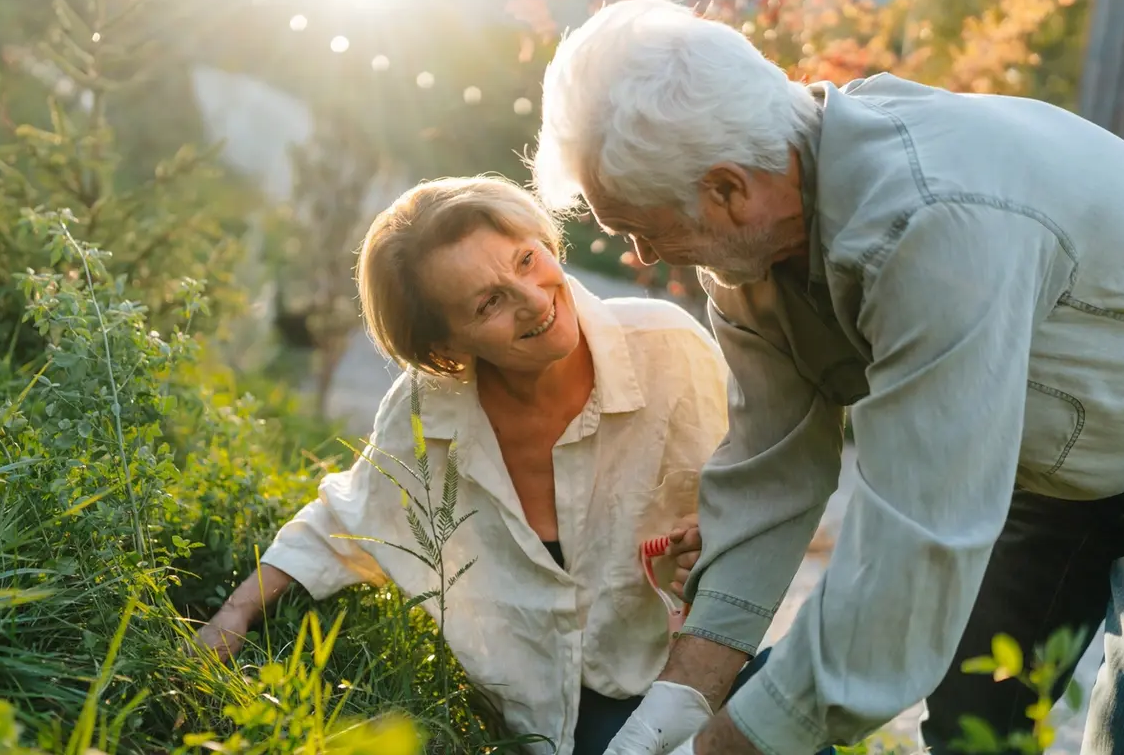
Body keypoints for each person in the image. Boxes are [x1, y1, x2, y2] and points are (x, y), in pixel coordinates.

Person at [529, 0, 1124, 755]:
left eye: (638, 226)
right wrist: (671, 711)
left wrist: (727, 746)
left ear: (727, 189)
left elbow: (911, 544)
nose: (645, 257)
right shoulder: (751, 257)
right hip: (1052, 460)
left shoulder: (933, 223)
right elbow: (770, 476)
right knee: (970, 728)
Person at [192, 176, 807, 755]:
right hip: (560, 720)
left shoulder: (669, 347)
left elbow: (757, 492)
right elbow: (344, 519)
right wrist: (235, 612)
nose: (535, 299)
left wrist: (713, 544)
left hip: (696, 670)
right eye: (489, 303)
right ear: (444, 348)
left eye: (526, 260)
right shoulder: (424, 415)